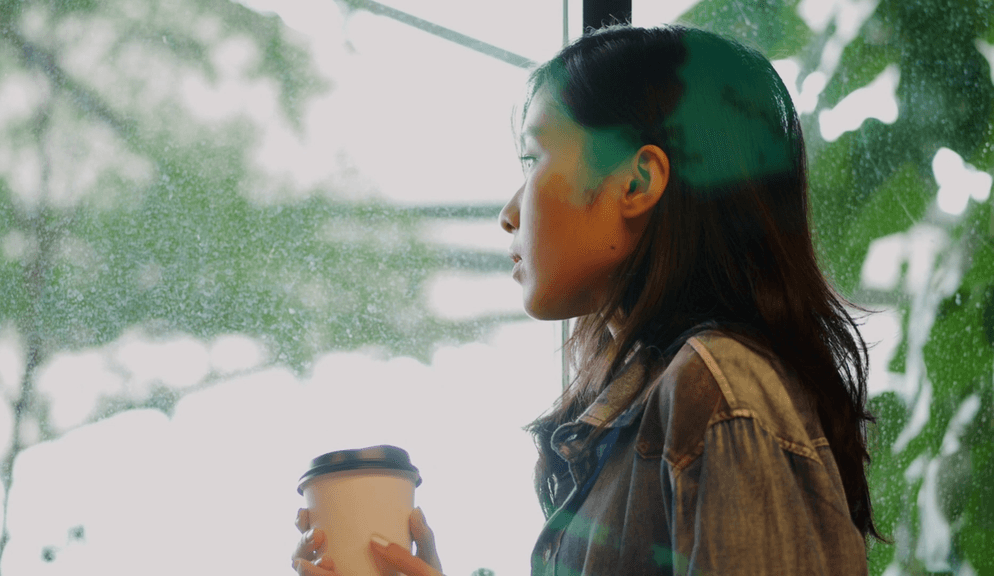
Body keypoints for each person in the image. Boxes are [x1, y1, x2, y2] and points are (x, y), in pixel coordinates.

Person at [292, 24, 879, 575]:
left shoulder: (719, 388)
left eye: (532, 159)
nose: (508, 213)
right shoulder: (661, 398)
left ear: (638, 182)